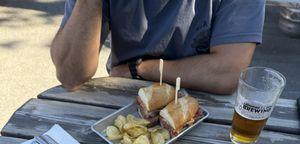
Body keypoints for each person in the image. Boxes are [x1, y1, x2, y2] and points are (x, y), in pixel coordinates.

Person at [51, 0, 265, 94]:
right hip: (125, 96)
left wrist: (140, 69)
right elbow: (70, 75)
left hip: (206, 99)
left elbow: (227, 73)